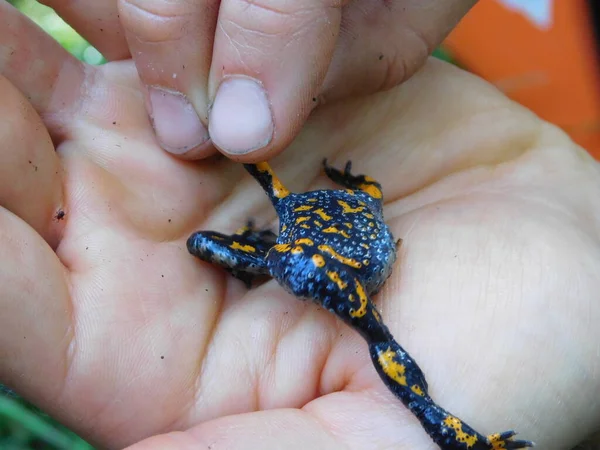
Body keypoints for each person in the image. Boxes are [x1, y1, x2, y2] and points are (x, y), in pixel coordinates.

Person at [0, 1, 598, 449]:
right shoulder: (292, 232)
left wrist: (471, 440)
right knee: (213, 243)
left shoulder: (353, 296)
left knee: (264, 247)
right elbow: (250, 194)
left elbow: (406, 379)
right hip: (303, 237)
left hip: (327, 244)